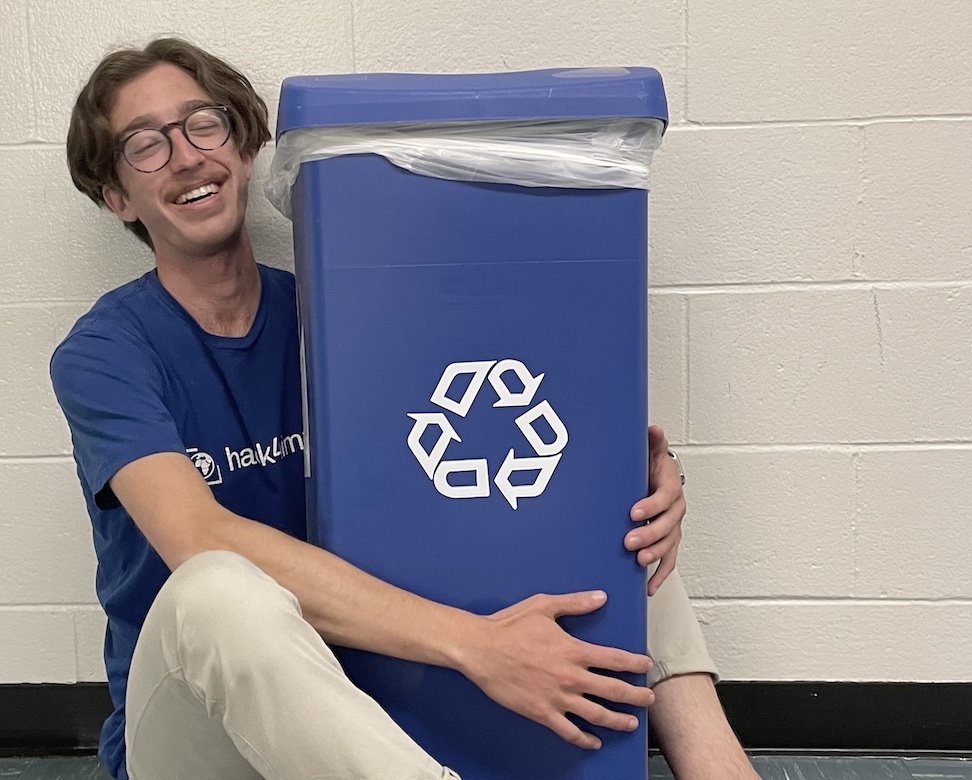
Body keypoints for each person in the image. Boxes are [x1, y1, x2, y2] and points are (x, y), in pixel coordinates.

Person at [52, 38, 758, 780]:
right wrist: (476, 645)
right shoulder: (106, 353)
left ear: (245, 145)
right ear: (116, 196)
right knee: (216, 586)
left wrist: (647, 474)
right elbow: (196, 536)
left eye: (204, 123)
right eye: (145, 146)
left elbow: (477, 468)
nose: (188, 155)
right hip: (194, 736)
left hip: (335, 722)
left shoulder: (337, 314)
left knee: (612, 511)